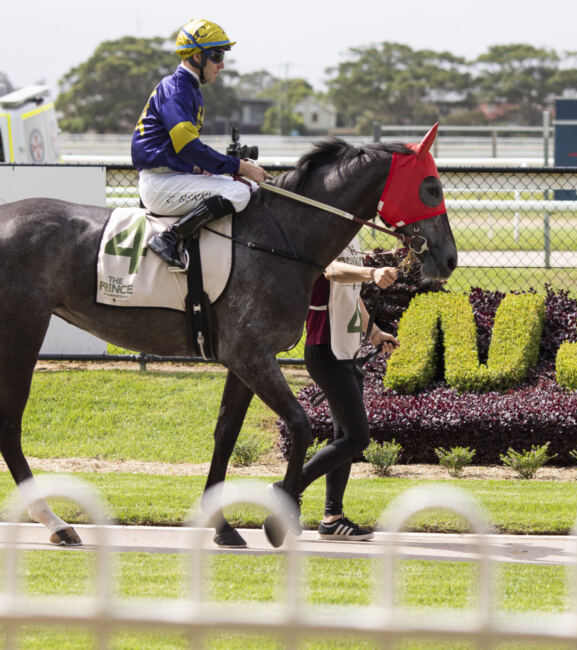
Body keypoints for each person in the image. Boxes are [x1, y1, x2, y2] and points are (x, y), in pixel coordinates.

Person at [131, 18, 267, 270]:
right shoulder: (177, 90)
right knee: (239, 191)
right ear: (196, 56)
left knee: (247, 186)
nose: (222, 64)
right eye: (217, 56)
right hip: (159, 184)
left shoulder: (188, 88)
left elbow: (182, 149)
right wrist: (239, 166)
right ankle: (169, 239)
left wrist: (200, 167)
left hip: (170, 177)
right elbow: (189, 147)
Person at [289, 242, 400, 541]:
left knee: (344, 438)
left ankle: (332, 518)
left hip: (346, 352)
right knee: (356, 438)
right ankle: (289, 488)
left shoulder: (352, 238)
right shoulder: (327, 232)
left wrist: (374, 333)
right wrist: (372, 273)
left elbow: (351, 294)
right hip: (326, 350)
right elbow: (332, 270)